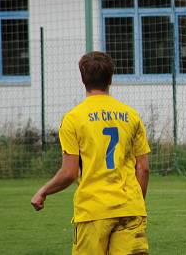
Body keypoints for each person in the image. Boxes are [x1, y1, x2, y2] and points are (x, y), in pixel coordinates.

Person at [30, 51, 151, 254]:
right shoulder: (131, 115)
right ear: (111, 78)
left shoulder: (73, 118)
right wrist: (135, 203)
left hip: (93, 210)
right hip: (130, 207)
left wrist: (43, 191)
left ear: (82, 78)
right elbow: (144, 168)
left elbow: (69, 173)